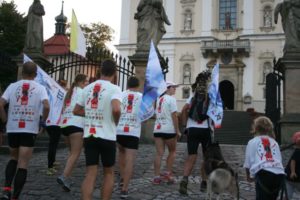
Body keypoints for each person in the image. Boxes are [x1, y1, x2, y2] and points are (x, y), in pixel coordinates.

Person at [0, 61, 49, 200]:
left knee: (13, 158)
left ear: (22, 73)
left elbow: (0, 104)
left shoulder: (12, 86)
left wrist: (5, 121)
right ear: (35, 74)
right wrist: (42, 122)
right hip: (29, 128)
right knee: (23, 163)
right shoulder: (40, 88)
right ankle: (15, 196)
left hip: (13, 127)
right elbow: (46, 106)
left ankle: (7, 189)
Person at [73, 60, 121, 200]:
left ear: (100, 70)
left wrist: (90, 113)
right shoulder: (114, 89)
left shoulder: (87, 88)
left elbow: (76, 110)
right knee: (108, 173)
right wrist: (115, 121)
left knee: (90, 174)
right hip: (107, 136)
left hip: (90, 135)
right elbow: (117, 109)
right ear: (115, 72)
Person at [178, 71, 212, 195]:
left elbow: (184, 109)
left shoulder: (193, 95)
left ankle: (184, 180)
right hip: (205, 129)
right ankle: (204, 182)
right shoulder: (210, 96)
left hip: (192, 129)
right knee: (206, 157)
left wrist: (184, 125)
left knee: (191, 156)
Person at [56, 74, 88, 191]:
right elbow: (85, 108)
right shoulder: (83, 92)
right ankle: (64, 176)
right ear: (82, 82)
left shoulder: (70, 92)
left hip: (64, 125)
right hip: (76, 125)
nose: (88, 84)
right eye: (87, 82)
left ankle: (67, 178)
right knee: (75, 154)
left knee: (72, 154)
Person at [244, 116, 285, 200]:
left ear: (255, 127)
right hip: (279, 174)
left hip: (263, 173)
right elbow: (279, 159)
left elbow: (248, 162)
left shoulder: (252, 142)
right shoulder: (274, 142)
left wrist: (248, 176)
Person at [116, 76, 143, 199]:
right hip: (133, 131)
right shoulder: (141, 97)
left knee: (121, 155)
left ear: (127, 85)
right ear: (137, 85)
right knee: (130, 160)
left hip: (119, 130)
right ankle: (125, 189)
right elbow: (146, 113)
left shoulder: (121, 95)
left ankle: (122, 178)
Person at [152, 81, 181, 185]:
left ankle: (156, 176)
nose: (175, 89)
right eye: (173, 87)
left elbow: (156, 114)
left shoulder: (159, 99)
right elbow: (174, 116)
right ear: (167, 88)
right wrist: (177, 130)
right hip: (168, 129)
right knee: (172, 151)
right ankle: (168, 174)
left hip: (158, 128)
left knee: (159, 153)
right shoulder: (171, 99)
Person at [45, 79, 68, 176]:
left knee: (53, 143)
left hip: (48, 121)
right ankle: (50, 167)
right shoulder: (63, 93)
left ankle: (53, 161)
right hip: (57, 122)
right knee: (53, 145)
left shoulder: (50, 92)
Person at [285, 131, 300, 199]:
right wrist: (293, 172)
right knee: (288, 193)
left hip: (291, 178)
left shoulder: (297, 151)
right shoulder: (297, 151)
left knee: (288, 194)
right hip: (293, 177)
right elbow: (293, 161)